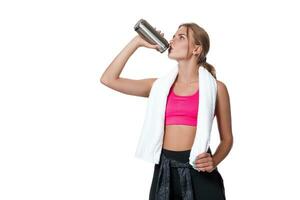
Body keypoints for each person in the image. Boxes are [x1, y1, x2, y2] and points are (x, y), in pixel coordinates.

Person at [100, 22, 233, 200]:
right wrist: (137, 42)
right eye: (174, 36)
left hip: (199, 171)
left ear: (196, 49)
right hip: (164, 171)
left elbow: (227, 139)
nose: (172, 40)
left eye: (181, 37)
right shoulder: (158, 87)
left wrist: (214, 160)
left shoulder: (217, 88)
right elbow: (108, 79)